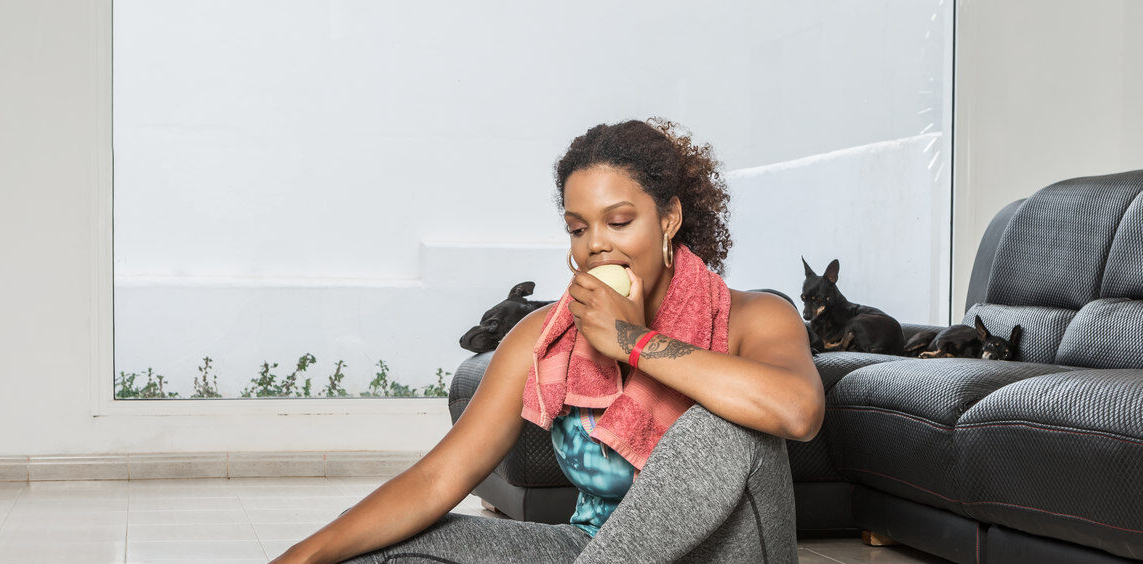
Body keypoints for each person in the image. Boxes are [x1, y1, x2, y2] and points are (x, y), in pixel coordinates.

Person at [271, 118, 824, 564]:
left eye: (619, 221)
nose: (596, 246)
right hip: (592, 550)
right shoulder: (544, 337)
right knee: (376, 551)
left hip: (729, 554)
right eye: (578, 228)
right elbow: (439, 477)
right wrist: (302, 555)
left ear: (669, 218)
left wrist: (631, 339)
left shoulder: (755, 317)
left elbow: (798, 411)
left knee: (720, 426)